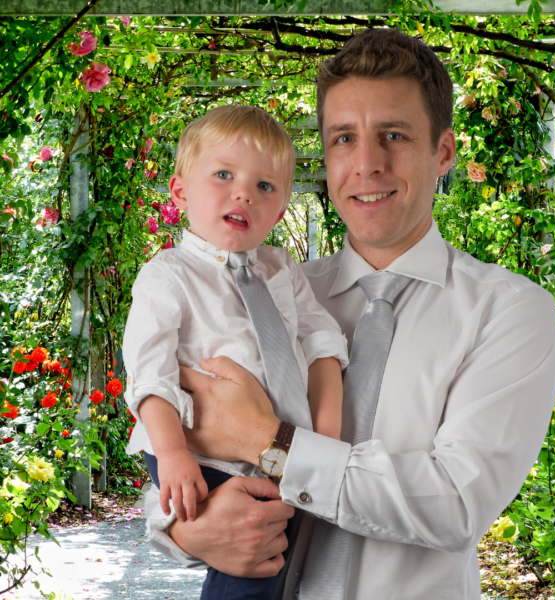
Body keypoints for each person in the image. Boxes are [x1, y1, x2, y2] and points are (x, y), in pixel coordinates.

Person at [144, 30, 555, 599]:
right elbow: (177, 436)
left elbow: (456, 504)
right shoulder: (272, 297)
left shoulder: (510, 312)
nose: (366, 164)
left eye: (393, 135)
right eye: (344, 138)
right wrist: (186, 529)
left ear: (443, 152)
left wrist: (272, 441)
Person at [123, 105, 348, 599]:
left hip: (273, 445)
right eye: (223, 174)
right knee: (249, 568)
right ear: (180, 191)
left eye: (265, 186)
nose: (244, 192)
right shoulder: (167, 275)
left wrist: (323, 438)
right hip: (192, 445)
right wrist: (173, 452)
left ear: (282, 208)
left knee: (269, 560)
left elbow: (322, 341)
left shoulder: (282, 269)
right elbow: (151, 375)